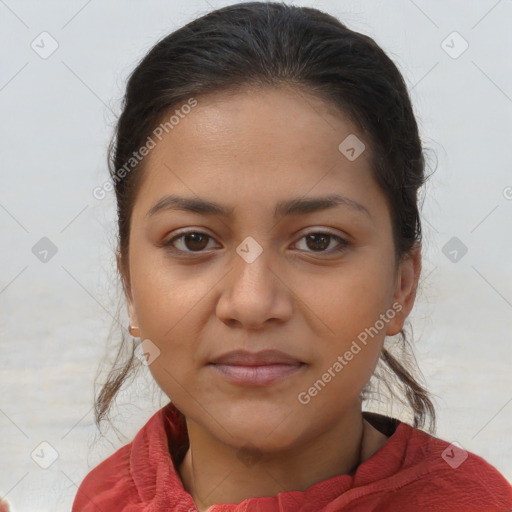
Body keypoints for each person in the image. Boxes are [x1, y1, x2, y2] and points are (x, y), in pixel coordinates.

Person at [72, 2, 512, 511]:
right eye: (193, 240)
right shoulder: (109, 495)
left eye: (318, 241)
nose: (252, 303)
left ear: (402, 285)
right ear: (128, 282)